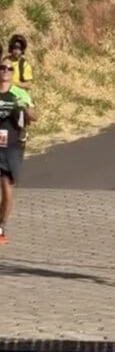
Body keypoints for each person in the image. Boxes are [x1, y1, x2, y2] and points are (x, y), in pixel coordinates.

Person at [0, 59, 37, 245]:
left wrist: (24, 107)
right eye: (2, 68)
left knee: (7, 194)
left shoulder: (19, 93)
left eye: (9, 69)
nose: (5, 71)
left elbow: (35, 116)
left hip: (11, 149)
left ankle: (1, 227)